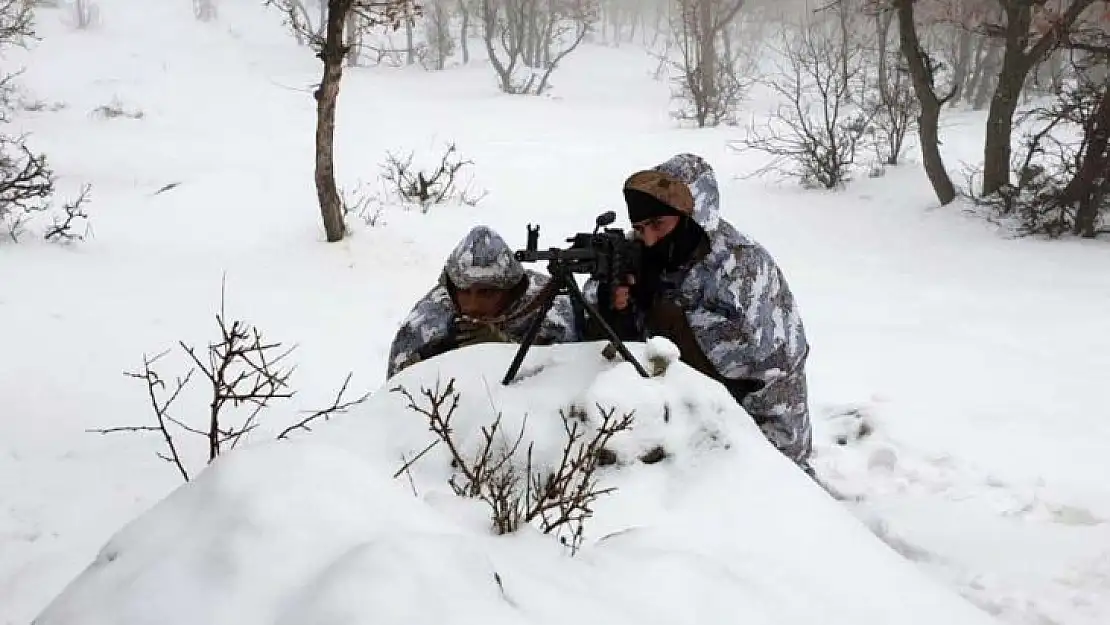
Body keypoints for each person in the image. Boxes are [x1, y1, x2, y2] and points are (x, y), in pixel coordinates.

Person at [587, 153, 814, 474]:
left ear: (692, 217)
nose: (648, 238)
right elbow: (586, 323)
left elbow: (751, 360)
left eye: (657, 225)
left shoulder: (741, 263)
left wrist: (657, 303)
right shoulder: (638, 248)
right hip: (683, 410)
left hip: (767, 416)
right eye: (639, 227)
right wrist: (613, 305)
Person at [386, 225, 578, 379]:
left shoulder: (550, 303)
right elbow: (396, 393)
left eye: (487, 292)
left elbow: (571, 373)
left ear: (511, 291)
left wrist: (505, 348)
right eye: (464, 292)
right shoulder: (427, 321)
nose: (473, 305)